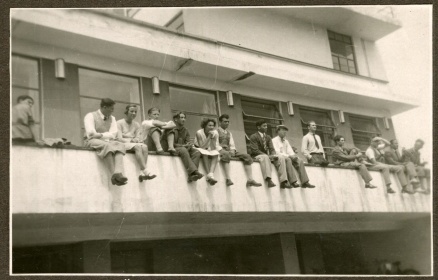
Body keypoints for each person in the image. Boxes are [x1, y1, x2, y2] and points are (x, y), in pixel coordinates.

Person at [84, 98, 128, 186]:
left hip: (106, 141)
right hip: (91, 141)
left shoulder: (112, 118)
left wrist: (100, 135)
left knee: (120, 145)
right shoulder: (90, 116)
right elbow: (91, 133)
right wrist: (105, 135)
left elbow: (113, 134)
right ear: (104, 107)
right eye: (111, 109)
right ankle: (113, 175)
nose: (112, 111)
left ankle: (117, 172)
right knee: (107, 145)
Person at [217, 114, 262, 187]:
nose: (227, 123)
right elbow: (215, 145)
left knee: (246, 156)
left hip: (229, 150)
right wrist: (222, 150)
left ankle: (250, 179)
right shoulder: (216, 132)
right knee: (226, 154)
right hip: (220, 150)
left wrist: (232, 150)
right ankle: (228, 179)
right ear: (220, 122)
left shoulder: (229, 133)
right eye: (225, 121)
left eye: (228, 122)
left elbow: (232, 144)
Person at [117, 105, 156, 182]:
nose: (134, 113)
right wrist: (131, 140)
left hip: (133, 143)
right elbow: (119, 138)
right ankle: (145, 170)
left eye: (135, 112)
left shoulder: (136, 124)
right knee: (138, 147)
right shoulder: (119, 123)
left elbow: (138, 137)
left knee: (144, 147)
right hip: (122, 143)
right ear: (126, 112)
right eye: (131, 111)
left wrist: (136, 140)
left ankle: (142, 173)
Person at [161, 112, 204, 182]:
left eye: (184, 118)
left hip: (182, 148)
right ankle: (194, 172)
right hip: (172, 149)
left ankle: (192, 175)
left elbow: (187, 141)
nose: (184, 119)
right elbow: (171, 143)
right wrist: (184, 146)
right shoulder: (171, 129)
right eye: (181, 117)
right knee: (183, 149)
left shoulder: (185, 130)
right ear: (176, 119)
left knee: (197, 152)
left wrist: (189, 145)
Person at [249, 120, 289, 189]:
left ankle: (283, 181)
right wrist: (267, 156)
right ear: (258, 127)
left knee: (280, 157)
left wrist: (273, 155)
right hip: (256, 156)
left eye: (266, 126)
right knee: (265, 157)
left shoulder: (268, 137)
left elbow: (271, 149)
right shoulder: (253, 136)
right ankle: (269, 180)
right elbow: (255, 150)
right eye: (264, 126)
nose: (266, 127)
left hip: (266, 156)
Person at [194, 118, 221, 185]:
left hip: (209, 148)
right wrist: (209, 137)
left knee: (216, 153)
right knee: (204, 153)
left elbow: (213, 147)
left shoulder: (215, 133)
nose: (212, 127)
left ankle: (210, 174)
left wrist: (212, 138)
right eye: (209, 125)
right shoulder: (199, 132)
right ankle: (209, 174)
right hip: (199, 148)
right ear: (205, 126)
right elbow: (201, 147)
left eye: (213, 125)